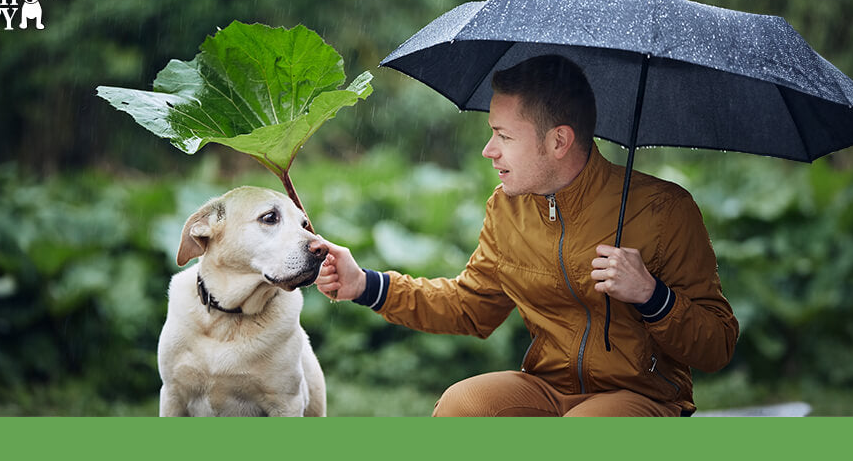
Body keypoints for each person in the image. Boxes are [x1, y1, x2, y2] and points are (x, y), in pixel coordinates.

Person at [315, 54, 738, 417]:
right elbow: (470, 307)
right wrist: (366, 285)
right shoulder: (506, 208)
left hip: (644, 398)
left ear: (558, 141)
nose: (488, 149)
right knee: (462, 407)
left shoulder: (665, 210)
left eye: (503, 135)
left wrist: (651, 295)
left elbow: (717, 345)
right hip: (548, 389)